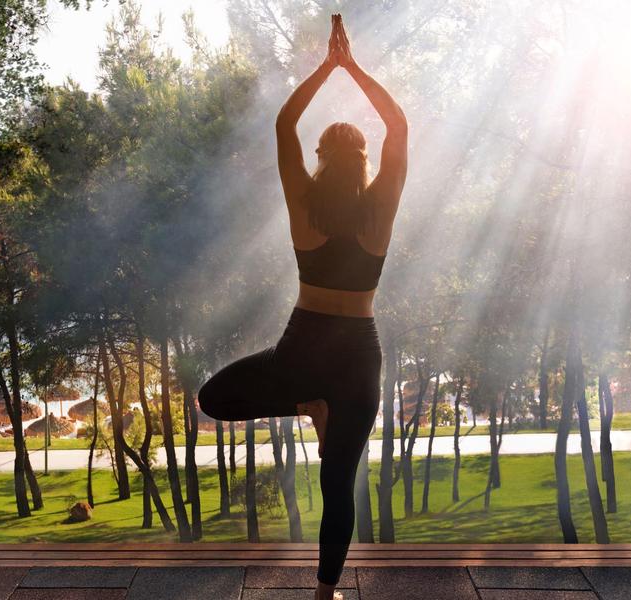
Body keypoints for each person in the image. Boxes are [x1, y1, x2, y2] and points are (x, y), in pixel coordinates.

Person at [197, 13, 407, 600]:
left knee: (213, 399)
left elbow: (284, 121)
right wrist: (354, 67)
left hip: (304, 345)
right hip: (358, 356)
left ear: (319, 157)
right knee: (339, 483)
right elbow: (398, 124)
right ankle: (324, 594)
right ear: (364, 160)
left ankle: (303, 402)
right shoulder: (379, 211)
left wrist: (326, 66)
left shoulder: (304, 205)